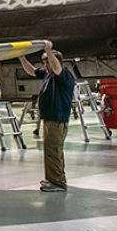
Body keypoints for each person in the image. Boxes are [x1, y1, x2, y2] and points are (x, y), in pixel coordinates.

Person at [19, 42, 75, 192]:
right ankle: (52, 179)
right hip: (49, 119)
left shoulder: (63, 75)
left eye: (47, 62)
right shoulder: (47, 74)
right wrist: (22, 58)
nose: (45, 65)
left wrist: (49, 51)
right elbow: (31, 71)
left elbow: (57, 68)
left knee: (54, 151)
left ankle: (58, 183)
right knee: (50, 151)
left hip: (57, 119)